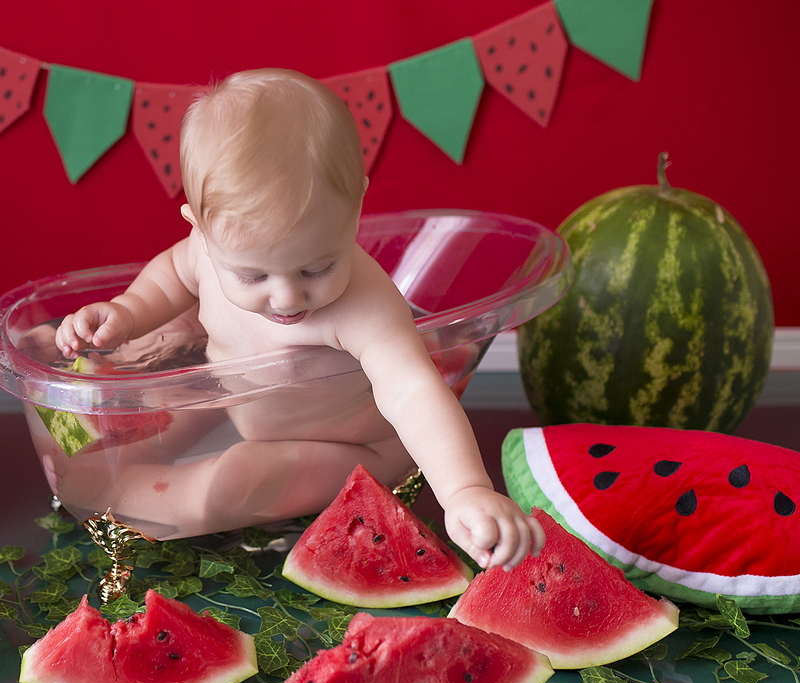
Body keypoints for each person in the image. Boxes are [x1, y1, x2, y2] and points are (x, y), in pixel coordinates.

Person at [55, 68, 542, 570]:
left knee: (241, 476)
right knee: (164, 389)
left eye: (317, 268)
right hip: (241, 404)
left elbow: (412, 392)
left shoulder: (363, 304)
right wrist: (128, 312)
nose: (287, 297)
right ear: (200, 228)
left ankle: (122, 497)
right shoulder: (205, 246)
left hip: (355, 447)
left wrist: (464, 489)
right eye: (251, 275)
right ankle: (114, 461)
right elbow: (171, 277)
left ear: (356, 208)